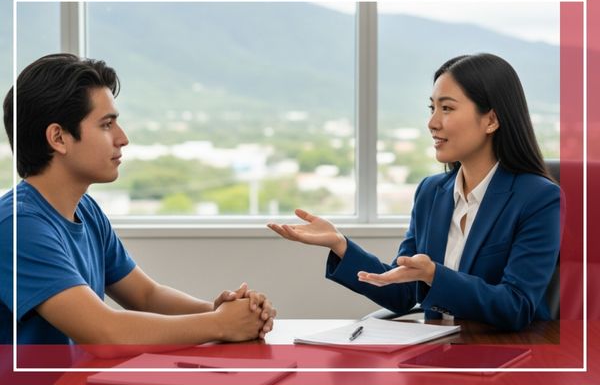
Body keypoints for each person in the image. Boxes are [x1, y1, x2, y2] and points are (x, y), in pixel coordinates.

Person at [0, 53, 276, 355]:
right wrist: (221, 324)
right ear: (58, 138)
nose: (123, 138)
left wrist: (224, 312)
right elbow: (105, 334)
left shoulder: (86, 210)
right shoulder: (18, 225)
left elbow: (146, 295)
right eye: (106, 125)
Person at [268, 53, 560, 331]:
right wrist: (340, 244)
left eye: (447, 108)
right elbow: (404, 292)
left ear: (491, 120)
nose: (432, 122)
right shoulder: (431, 192)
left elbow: (516, 307)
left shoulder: (538, 198)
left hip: (509, 356)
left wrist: (434, 274)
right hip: (438, 352)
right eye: (432, 108)